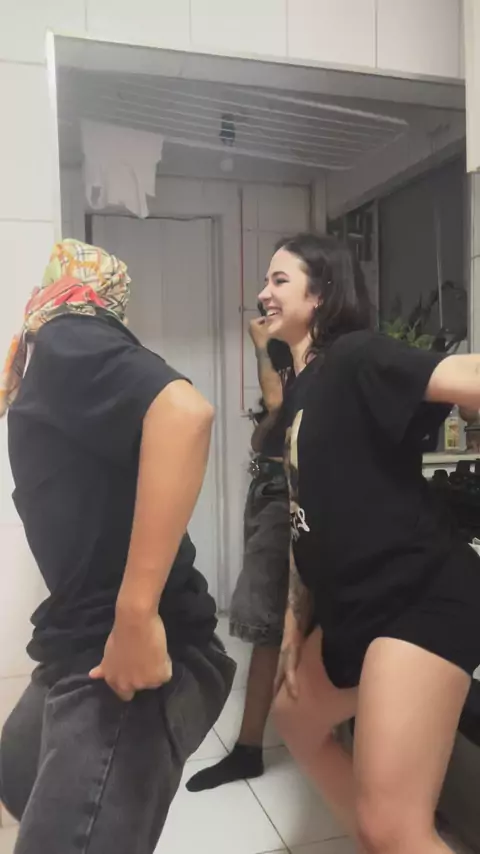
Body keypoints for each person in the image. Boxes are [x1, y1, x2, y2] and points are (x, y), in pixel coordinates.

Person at [0, 239, 235, 854]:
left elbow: (185, 412)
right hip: (78, 636)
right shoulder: (61, 351)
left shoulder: (68, 334)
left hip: (127, 654)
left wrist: (135, 617)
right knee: (16, 775)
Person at [256, 232, 480, 854]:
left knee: (392, 827)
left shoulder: (354, 356)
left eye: (279, 280)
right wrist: (295, 623)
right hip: (354, 606)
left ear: (321, 294)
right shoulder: (303, 388)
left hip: (419, 596)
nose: (263, 293)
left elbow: (468, 375)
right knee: (295, 720)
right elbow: (305, 514)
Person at [187, 314, 293, 791]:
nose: (266, 296)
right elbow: (271, 421)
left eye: (279, 281)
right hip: (270, 489)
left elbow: (278, 403)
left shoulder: (314, 351)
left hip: (286, 496)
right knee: (272, 622)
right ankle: (258, 744)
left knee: (265, 620)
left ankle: (251, 748)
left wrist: (260, 344)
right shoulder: (291, 349)